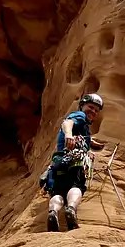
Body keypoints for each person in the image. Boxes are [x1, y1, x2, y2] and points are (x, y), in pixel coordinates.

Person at [44, 93, 106, 231]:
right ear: (82, 105)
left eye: (96, 110)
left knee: (58, 192)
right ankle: (70, 209)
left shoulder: (84, 128)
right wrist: (68, 135)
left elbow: (82, 137)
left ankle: (53, 212)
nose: (93, 111)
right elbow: (67, 123)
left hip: (59, 161)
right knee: (77, 185)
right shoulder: (79, 115)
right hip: (75, 160)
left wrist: (91, 143)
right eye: (91, 107)